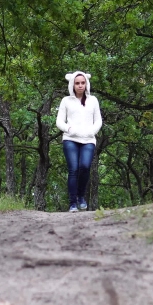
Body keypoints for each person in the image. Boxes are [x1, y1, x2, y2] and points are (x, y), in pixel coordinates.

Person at [56, 71, 103, 212]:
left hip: (88, 139)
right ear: (72, 84)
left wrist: (92, 131)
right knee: (74, 169)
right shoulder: (66, 101)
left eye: (83, 83)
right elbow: (59, 121)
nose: (80, 85)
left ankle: (81, 196)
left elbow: (99, 120)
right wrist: (68, 129)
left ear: (86, 83)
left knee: (85, 166)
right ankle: (72, 203)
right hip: (70, 139)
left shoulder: (93, 100)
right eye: (77, 83)